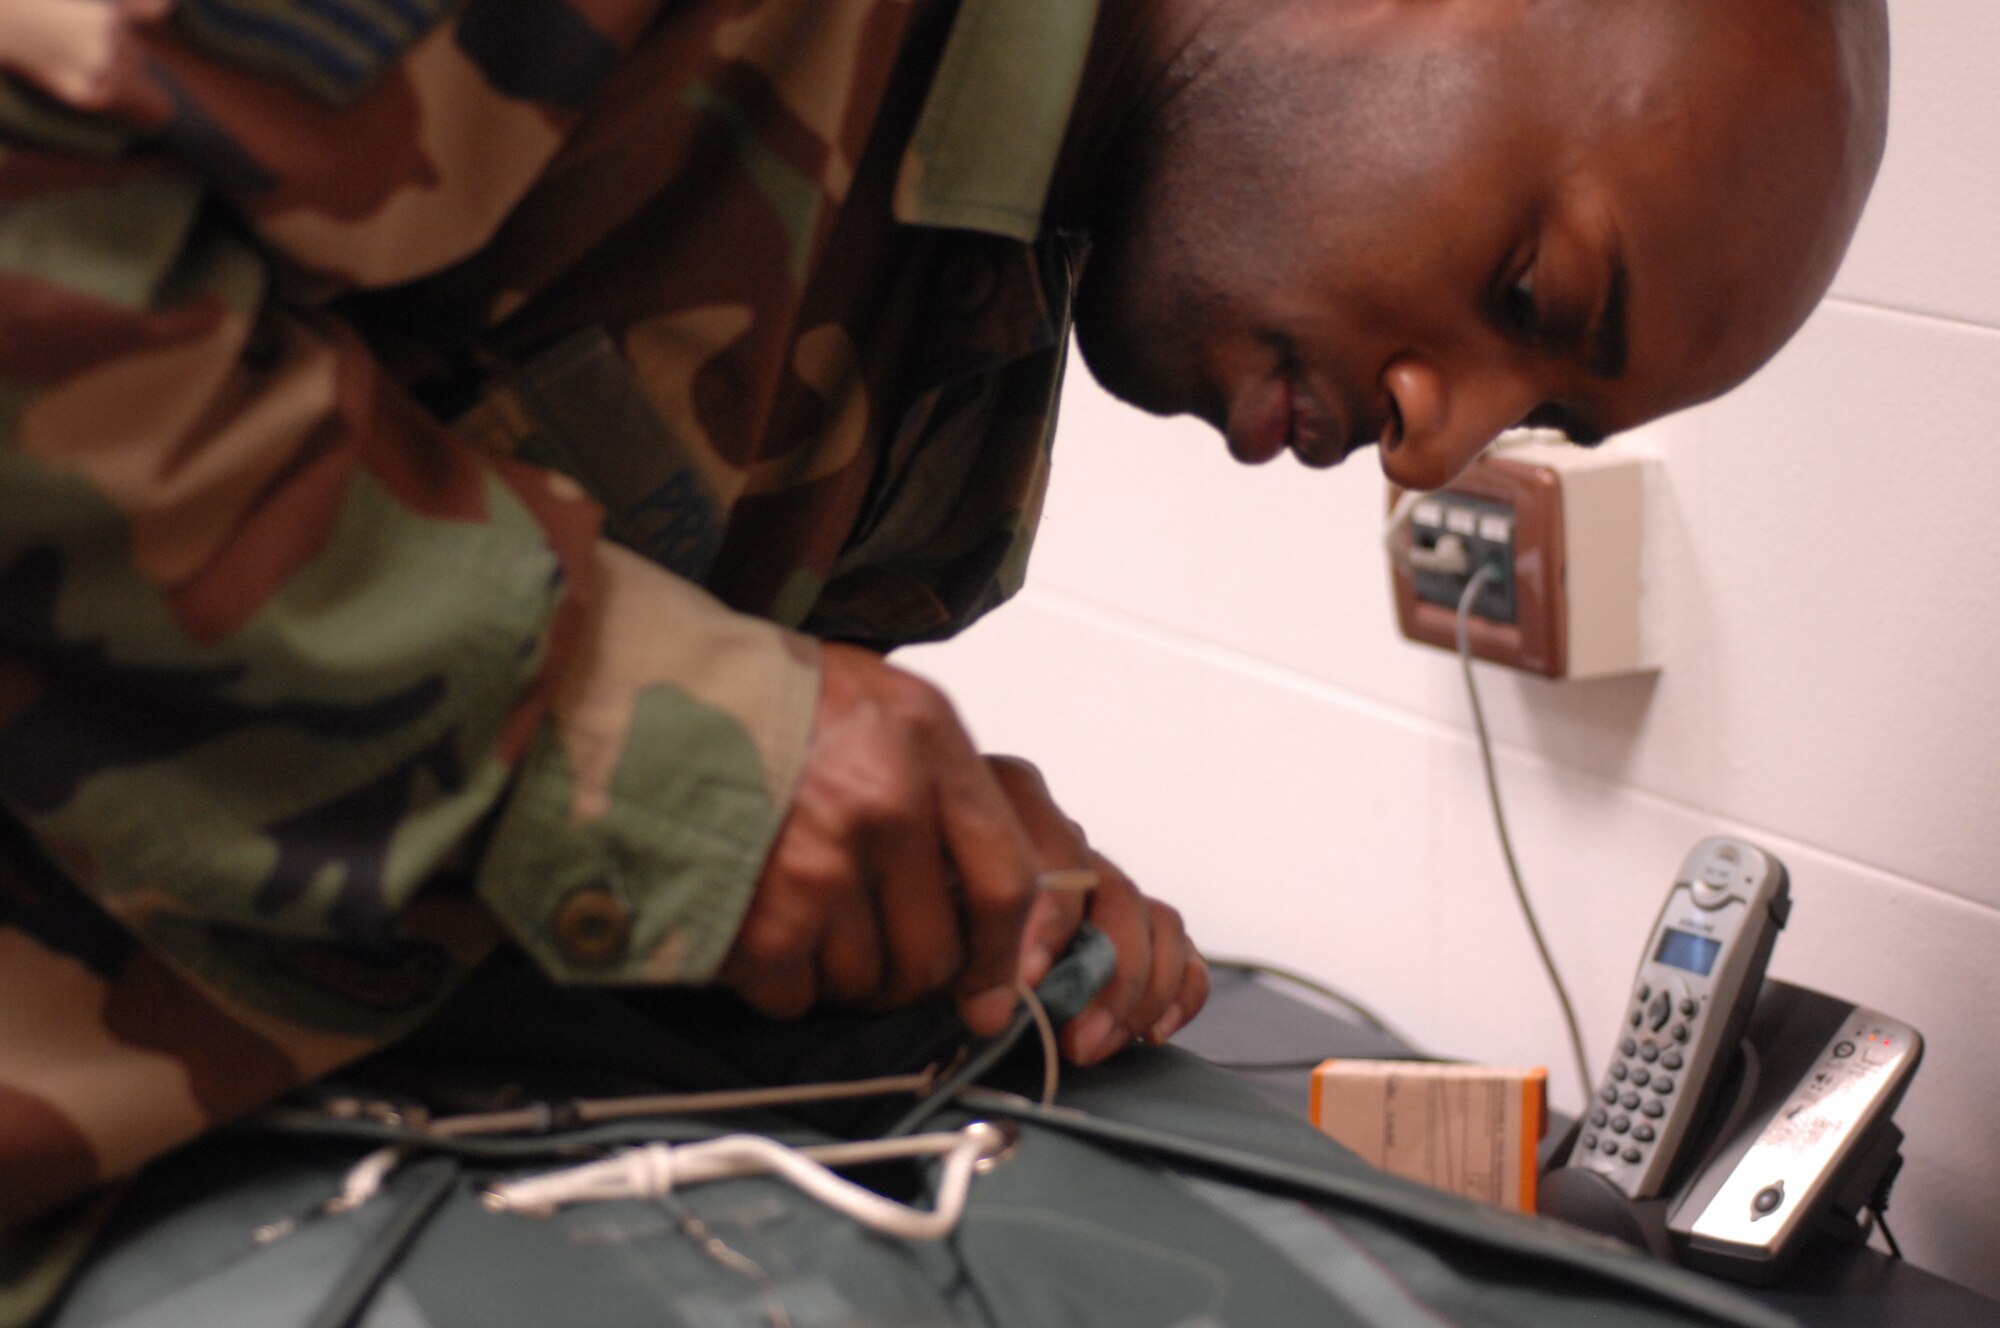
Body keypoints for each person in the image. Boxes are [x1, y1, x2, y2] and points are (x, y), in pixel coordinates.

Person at [0, 0, 1888, 1276]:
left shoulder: (976, 271)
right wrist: (628, 731)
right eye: (1532, 292)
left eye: (1546, 415)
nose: (1444, 444)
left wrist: (917, 880)